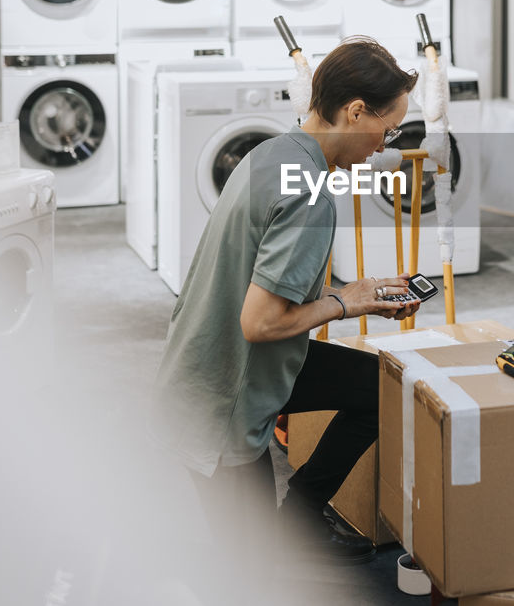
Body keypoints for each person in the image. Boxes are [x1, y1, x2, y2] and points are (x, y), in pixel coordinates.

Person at [151, 38, 422, 567]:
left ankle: (294, 524)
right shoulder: (309, 195)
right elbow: (261, 322)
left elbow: (263, 285)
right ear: (355, 111)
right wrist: (346, 304)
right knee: (252, 576)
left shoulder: (273, 152)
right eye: (386, 130)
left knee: (379, 390)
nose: (385, 145)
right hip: (223, 399)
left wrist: (356, 296)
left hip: (204, 364)